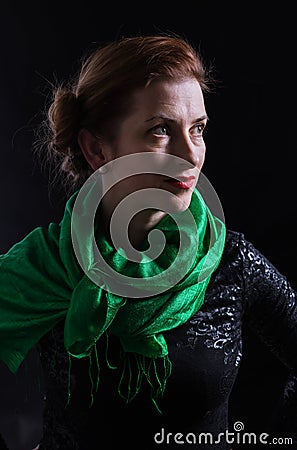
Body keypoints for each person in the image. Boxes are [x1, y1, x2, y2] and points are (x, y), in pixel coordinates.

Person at [0, 33, 296, 450]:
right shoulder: (44, 265)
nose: (191, 154)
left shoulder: (231, 261)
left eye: (199, 129)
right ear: (96, 148)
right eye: (160, 130)